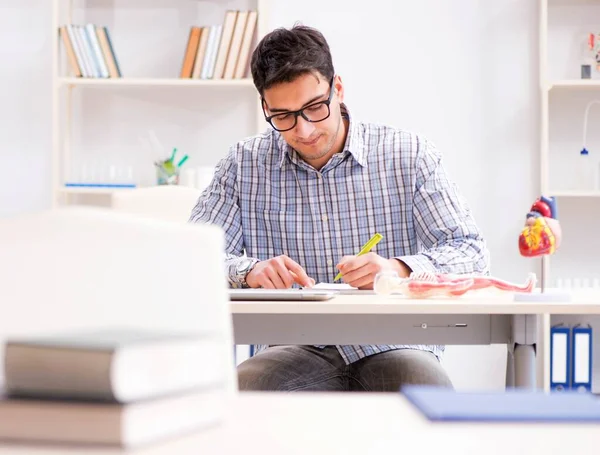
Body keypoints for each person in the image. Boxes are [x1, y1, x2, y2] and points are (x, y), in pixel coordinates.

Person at [190, 24, 490, 392]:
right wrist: (249, 270)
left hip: (394, 343)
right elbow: (193, 256)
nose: (303, 130)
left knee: (424, 385)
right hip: (294, 347)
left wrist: (398, 269)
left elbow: (470, 251)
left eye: (315, 107)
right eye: (283, 116)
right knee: (242, 390)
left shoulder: (408, 155)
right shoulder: (243, 165)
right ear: (265, 107)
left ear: (338, 89)